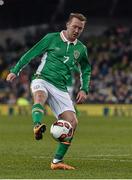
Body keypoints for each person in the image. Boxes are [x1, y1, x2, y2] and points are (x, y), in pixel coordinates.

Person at [6, 13, 91, 170]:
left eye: (80, 28)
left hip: (61, 88)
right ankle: (37, 125)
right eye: (75, 26)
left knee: (73, 123)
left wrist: (84, 88)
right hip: (42, 79)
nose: (77, 30)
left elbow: (86, 69)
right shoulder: (51, 38)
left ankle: (56, 162)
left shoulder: (81, 49)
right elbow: (31, 53)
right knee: (39, 97)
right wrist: (15, 70)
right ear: (67, 25)